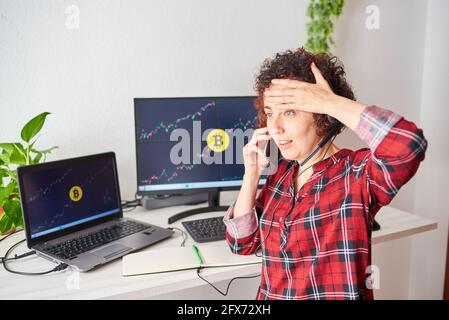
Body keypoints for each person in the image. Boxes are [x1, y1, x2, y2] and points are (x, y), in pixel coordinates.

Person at [223, 47, 428, 300]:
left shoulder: (356, 174)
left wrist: (329, 102)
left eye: (289, 111)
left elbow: (408, 145)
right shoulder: (282, 176)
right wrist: (251, 175)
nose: (274, 127)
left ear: (321, 115)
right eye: (269, 113)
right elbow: (241, 243)